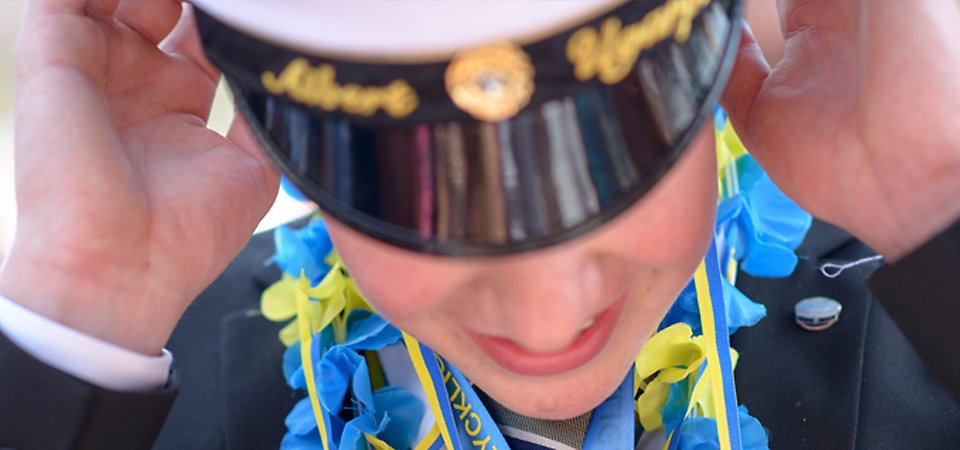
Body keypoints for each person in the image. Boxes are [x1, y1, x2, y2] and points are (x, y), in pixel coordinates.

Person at [1, 0, 959, 449]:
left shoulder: (925, 339)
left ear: (717, 59)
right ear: (276, 133)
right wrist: (88, 299)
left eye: (609, 174)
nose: (548, 316)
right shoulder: (161, 397)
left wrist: (929, 195)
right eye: (428, 203)